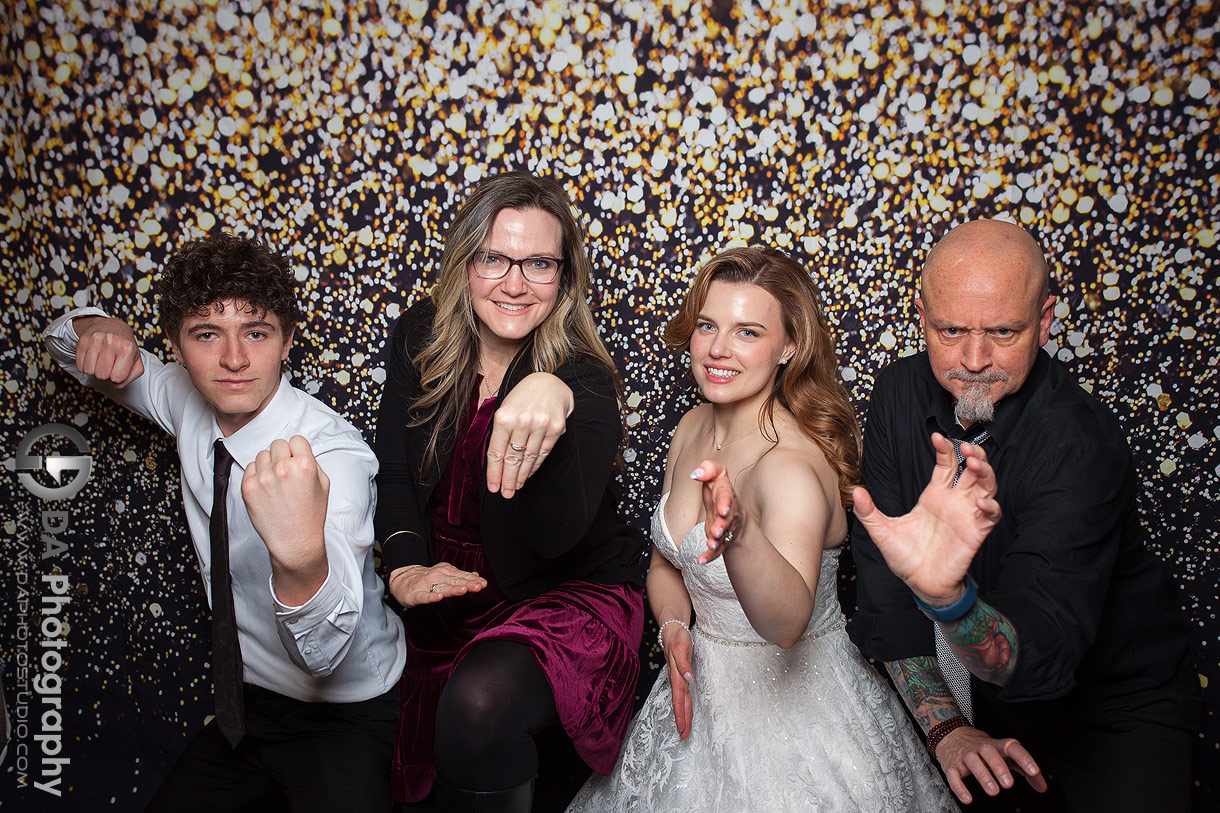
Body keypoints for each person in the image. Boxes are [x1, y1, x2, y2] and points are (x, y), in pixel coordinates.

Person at [568, 247, 956, 811]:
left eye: (747, 332)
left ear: (789, 347)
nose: (718, 350)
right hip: (701, 696)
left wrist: (741, 535)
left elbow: (787, 625)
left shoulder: (792, 467)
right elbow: (662, 564)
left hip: (800, 727)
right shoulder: (693, 425)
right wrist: (675, 624)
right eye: (707, 325)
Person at [42, 233, 407, 811]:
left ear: (287, 341)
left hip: (347, 712)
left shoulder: (333, 454)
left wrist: (301, 560)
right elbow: (66, 348)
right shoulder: (183, 397)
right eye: (207, 334)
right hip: (248, 710)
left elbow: (325, 654)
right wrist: (95, 328)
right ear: (177, 347)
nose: (234, 359)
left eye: (256, 333)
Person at [849, 219, 1200, 811]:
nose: (975, 359)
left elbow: (1041, 657)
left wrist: (947, 601)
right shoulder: (897, 395)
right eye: (951, 329)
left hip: (1115, 710)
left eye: (1005, 332)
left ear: (1046, 319)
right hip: (980, 709)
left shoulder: (1079, 443)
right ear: (920, 314)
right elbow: (886, 601)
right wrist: (947, 729)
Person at [373, 171, 649, 811]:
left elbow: (557, 537)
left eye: (539, 264)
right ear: (465, 263)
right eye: (494, 258)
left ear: (565, 277)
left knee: (480, 700)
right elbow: (393, 470)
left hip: (565, 594)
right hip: (451, 589)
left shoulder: (585, 377)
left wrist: (556, 395)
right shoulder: (419, 338)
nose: (515, 283)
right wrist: (407, 560)